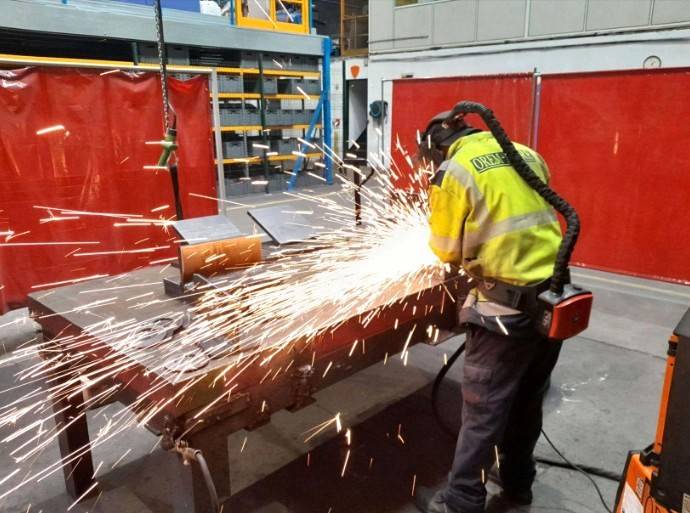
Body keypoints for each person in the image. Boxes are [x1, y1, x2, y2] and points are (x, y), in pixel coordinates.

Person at [414, 107, 564, 513]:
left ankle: (462, 500)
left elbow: (445, 248)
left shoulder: (454, 171)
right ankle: (518, 484)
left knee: (484, 410)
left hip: (504, 311)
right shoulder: (524, 152)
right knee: (527, 400)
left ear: (437, 148)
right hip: (553, 299)